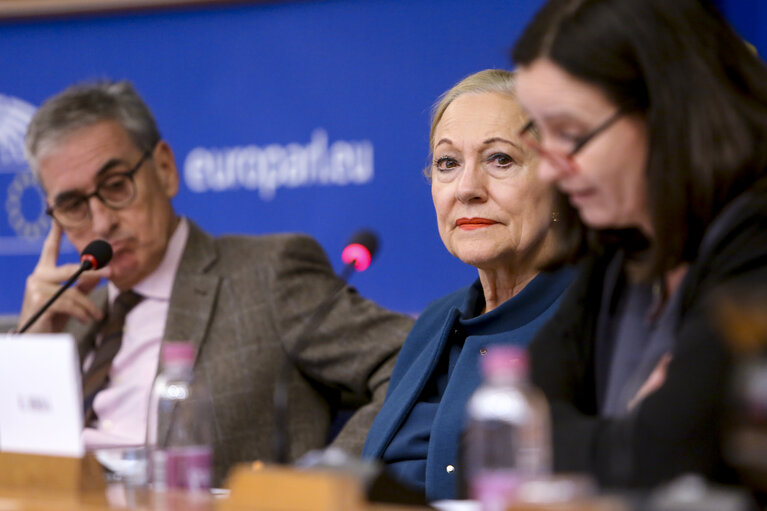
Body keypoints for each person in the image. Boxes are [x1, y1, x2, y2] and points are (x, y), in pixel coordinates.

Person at [17, 80, 414, 485]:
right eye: (72, 206)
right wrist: (25, 358)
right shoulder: (63, 321)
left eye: (117, 185)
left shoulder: (266, 275)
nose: (102, 222)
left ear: (165, 169)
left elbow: (417, 359)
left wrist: (322, 485)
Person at [511, 0, 767, 488]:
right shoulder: (616, 249)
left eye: (571, 133)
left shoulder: (756, 243)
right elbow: (488, 444)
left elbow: (669, 460)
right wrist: (627, 435)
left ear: (670, 111)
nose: (547, 168)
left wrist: (622, 442)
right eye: (540, 135)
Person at [361, 69, 573, 501]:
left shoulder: (596, 316)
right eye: (448, 163)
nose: (467, 188)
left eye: (501, 159)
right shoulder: (435, 320)